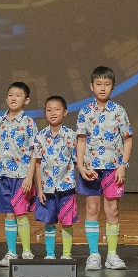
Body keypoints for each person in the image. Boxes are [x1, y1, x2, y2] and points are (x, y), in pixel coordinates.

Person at [76, 66, 133, 271]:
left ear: (113, 87)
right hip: (91, 168)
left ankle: (112, 255)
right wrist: (80, 165)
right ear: (91, 86)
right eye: (98, 84)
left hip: (113, 169)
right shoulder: (85, 112)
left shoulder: (119, 111)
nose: (102, 88)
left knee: (112, 210)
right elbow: (81, 140)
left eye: (107, 84)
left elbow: (127, 139)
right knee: (92, 209)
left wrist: (123, 165)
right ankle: (93, 255)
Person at [0, 81, 39, 267]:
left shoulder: (28, 122)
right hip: (2, 176)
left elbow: (35, 152)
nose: (13, 98)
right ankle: (11, 252)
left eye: (18, 95)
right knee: (9, 215)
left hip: (21, 177)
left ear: (26, 100)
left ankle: (26, 252)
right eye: (10, 95)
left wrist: (29, 176)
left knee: (21, 214)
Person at [32, 96, 79, 260]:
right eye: (49, 110)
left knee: (67, 221)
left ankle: (66, 254)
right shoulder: (40, 137)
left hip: (66, 187)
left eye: (57, 109)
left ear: (65, 112)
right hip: (47, 188)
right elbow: (37, 164)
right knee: (49, 221)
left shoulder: (71, 135)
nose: (53, 113)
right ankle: (50, 254)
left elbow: (77, 160)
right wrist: (39, 189)